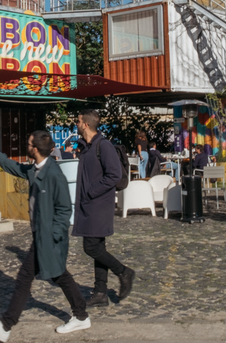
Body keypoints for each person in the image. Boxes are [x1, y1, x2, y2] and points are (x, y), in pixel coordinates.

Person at [0, 131, 90, 341]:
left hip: (48, 238)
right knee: (60, 276)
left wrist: (53, 235)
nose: (26, 145)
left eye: (28, 143)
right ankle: (81, 315)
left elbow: (65, 209)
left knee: (24, 278)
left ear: (35, 149)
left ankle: (5, 325)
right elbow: (19, 169)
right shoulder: (37, 169)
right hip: (42, 236)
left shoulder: (54, 174)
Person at [73, 109, 135, 307]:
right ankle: (100, 292)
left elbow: (114, 175)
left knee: (90, 247)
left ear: (86, 124)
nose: (76, 123)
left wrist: (92, 191)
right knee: (97, 247)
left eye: (78, 120)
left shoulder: (104, 146)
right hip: (89, 204)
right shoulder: (87, 147)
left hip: (98, 205)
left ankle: (124, 272)